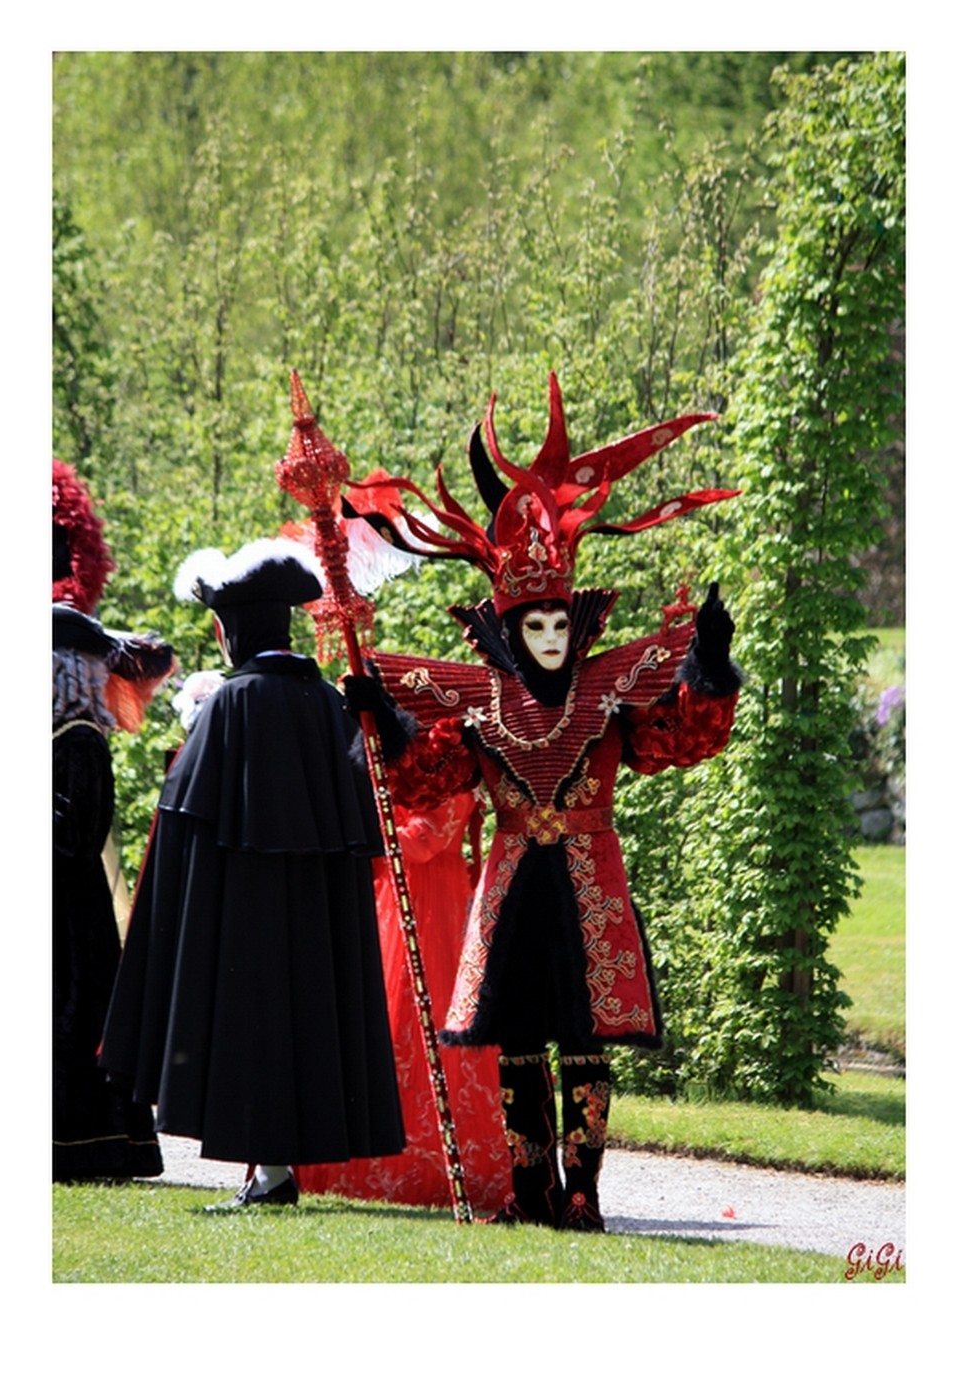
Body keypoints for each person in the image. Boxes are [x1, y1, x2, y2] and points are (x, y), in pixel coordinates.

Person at [345, 372, 743, 1231]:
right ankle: (527, 1191)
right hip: (514, 880)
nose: (552, 641)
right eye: (536, 629)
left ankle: (583, 1190)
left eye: (562, 627)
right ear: (509, 630)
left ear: (578, 625)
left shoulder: (608, 701)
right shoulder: (481, 708)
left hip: (590, 884)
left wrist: (709, 670)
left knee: (585, 1041)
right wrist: (382, 717)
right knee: (519, 1042)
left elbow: (680, 739)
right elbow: (425, 777)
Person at [99, 537, 405, 1207]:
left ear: (230, 630)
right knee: (306, 1021)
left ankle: (271, 1174)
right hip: (315, 908)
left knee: (254, 1025)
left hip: (241, 906)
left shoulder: (230, 704)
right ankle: (276, 1170)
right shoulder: (327, 701)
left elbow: (183, 810)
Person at [294, 789, 510, 1211]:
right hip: (387, 896)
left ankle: (428, 1165)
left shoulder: (452, 759)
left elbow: (426, 840)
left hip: (431, 905)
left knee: (418, 1018)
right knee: (381, 1020)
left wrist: (351, 824)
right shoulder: (391, 749)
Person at [52, 458, 175, 1182]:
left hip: (70, 912)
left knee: (73, 1018)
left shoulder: (80, 740)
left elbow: (75, 834)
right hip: (60, 910)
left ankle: (86, 1150)